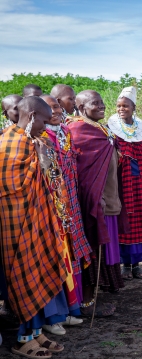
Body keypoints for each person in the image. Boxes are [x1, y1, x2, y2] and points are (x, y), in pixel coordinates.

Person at [0, 96, 66, 357]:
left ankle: (36, 333)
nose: (46, 128)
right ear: (32, 117)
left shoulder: (32, 142)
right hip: (15, 225)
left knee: (38, 272)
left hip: (36, 223)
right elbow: (8, 188)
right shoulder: (9, 144)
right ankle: (22, 339)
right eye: (44, 122)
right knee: (24, 277)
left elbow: (49, 182)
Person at [68, 90, 124, 317]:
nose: (101, 106)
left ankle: (94, 297)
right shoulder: (78, 129)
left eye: (102, 102)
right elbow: (84, 171)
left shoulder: (99, 128)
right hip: (93, 202)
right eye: (95, 103)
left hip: (107, 199)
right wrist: (95, 198)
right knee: (93, 247)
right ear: (81, 108)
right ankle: (87, 302)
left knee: (103, 248)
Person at [40, 94, 92, 330]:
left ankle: (73, 307)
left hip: (71, 207)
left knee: (72, 256)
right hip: (51, 212)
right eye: (52, 108)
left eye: (59, 106)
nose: (59, 110)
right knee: (55, 260)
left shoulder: (64, 132)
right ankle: (54, 316)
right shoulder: (40, 140)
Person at [108, 86, 142, 280]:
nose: (121, 109)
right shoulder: (111, 128)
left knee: (141, 220)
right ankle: (125, 264)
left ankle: (136, 264)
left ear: (133, 107)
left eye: (125, 106)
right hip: (121, 181)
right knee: (125, 219)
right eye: (118, 106)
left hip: (141, 180)